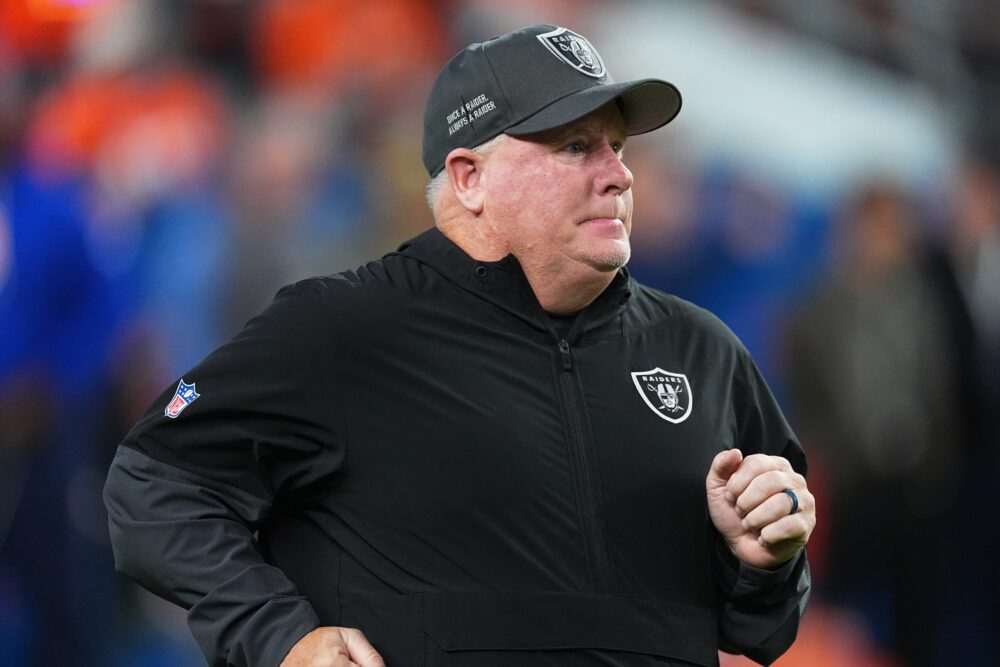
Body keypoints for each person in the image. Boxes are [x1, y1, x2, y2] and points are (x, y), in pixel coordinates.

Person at [104, 24, 815, 667]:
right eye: (576, 146)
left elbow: (762, 627)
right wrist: (281, 638)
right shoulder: (344, 326)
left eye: (618, 147)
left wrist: (765, 563)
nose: (619, 173)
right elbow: (154, 484)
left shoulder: (702, 352)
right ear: (471, 179)